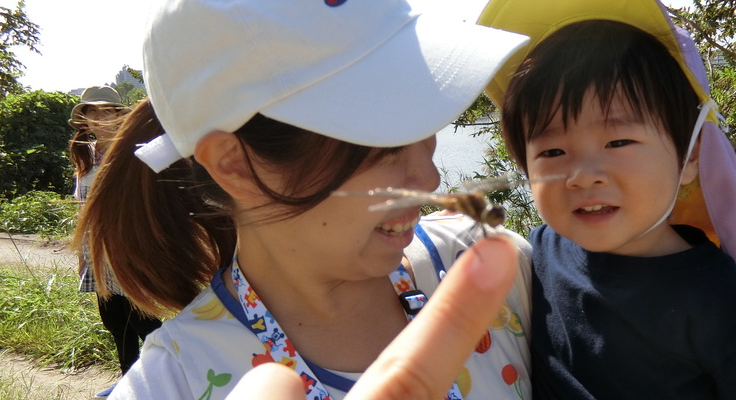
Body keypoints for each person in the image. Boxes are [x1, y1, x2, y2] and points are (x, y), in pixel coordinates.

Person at [73, 0, 534, 399]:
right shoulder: (177, 380)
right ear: (234, 165)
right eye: (385, 143)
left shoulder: (489, 263)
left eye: (426, 125)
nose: (428, 175)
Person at [478, 0, 736, 398]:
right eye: (552, 152)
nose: (582, 175)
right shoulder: (535, 255)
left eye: (618, 141)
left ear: (689, 156)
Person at [67, 85, 162, 399]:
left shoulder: (131, 151)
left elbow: (148, 200)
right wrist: (82, 253)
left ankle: (169, 374)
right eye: (95, 112)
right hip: (96, 251)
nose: (102, 117)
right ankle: (128, 384)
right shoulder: (86, 157)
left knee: (143, 321)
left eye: (109, 111)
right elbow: (82, 208)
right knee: (115, 321)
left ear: (121, 116)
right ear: (86, 121)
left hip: (127, 248)